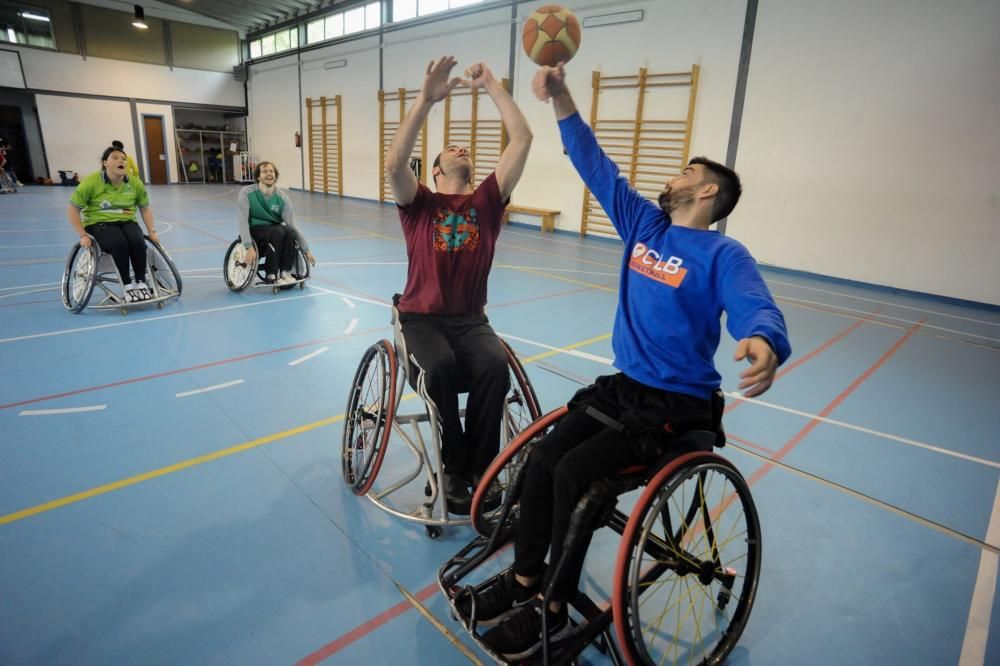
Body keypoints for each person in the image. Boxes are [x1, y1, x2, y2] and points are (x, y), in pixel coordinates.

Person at [471, 62, 793, 659]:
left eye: (686, 172)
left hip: (676, 406)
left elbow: (756, 304)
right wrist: (561, 95)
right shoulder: (645, 226)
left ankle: (555, 608)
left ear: (707, 192)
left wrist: (764, 340)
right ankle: (523, 580)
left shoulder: (724, 253)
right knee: (544, 458)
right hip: (622, 390)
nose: (673, 177)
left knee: (576, 477)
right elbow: (595, 164)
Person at [385, 56, 533, 513]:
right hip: (421, 320)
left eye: (465, 147)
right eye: (450, 148)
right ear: (434, 171)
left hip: (471, 322)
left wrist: (492, 85)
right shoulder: (419, 204)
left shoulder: (488, 202)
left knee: (494, 367)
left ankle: (482, 470)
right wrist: (425, 101)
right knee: (443, 369)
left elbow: (523, 138)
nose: (461, 148)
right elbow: (393, 164)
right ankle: (453, 469)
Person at [67, 146, 160, 302]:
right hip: (98, 223)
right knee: (119, 242)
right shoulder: (91, 182)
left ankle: (141, 283)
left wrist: (152, 231)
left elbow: (145, 209)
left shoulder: (134, 183)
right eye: (115, 158)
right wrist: (82, 235)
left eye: (123, 158)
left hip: (127, 221)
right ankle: (127, 285)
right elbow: (73, 210)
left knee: (137, 240)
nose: (120, 160)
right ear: (106, 163)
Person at [236, 161, 315, 285]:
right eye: (265, 171)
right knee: (278, 231)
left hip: (274, 230)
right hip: (254, 229)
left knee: (290, 231)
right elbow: (243, 221)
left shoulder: (282, 198)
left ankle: (285, 271)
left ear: (275, 176)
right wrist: (248, 246)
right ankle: (271, 273)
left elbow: (293, 224)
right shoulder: (247, 193)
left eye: (271, 171)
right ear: (258, 176)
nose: (269, 174)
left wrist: (306, 249)